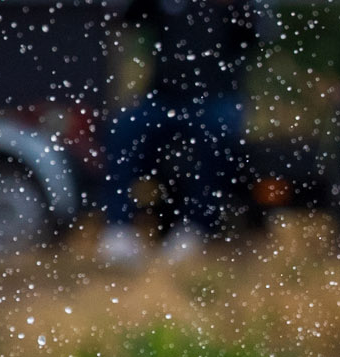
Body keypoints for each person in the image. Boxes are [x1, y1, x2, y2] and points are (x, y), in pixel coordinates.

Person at [97, 0, 276, 264]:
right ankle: (118, 228)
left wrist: (236, 8)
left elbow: (262, 33)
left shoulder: (236, 6)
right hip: (164, 99)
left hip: (217, 98)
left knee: (217, 134)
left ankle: (196, 226)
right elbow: (127, 16)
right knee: (123, 128)